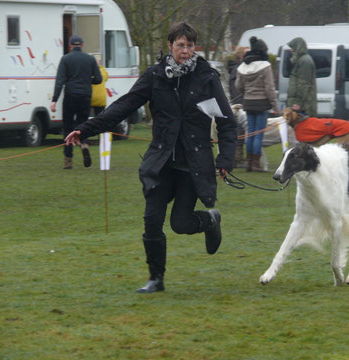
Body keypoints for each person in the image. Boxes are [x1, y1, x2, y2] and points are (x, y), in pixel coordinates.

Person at [65, 22, 237, 294]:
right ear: (170, 46)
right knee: (152, 219)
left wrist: (226, 159)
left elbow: (227, 122)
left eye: (190, 46)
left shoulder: (207, 77)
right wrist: (85, 128)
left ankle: (209, 220)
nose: (185, 51)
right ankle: (156, 278)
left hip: (192, 165)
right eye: (180, 45)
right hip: (161, 162)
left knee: (180, 224)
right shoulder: (155, 76)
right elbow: (123, 106)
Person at [51, 35, 102, 169]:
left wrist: (54, 100)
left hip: (70, 95)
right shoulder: (90, 59)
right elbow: (98, 79)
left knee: (68, 127)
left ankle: (68, 160)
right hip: (85, 96)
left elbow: (60, 81)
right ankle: (84, 144)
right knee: (82, 125)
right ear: (82, 45)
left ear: (70, 45)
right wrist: (86, 80)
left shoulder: (66, 59)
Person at [235, 36, 278, 172]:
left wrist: (246, 94)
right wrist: (275, 106)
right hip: (262, 104)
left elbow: (238, 85)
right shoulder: (265, 66)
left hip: (248, 103)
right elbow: (269, 88)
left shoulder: (243, 66)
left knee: (250, 133)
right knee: (258, 134)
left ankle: (249, 162)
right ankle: (255, 163)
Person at [227, 46, 248, 168]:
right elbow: (235, 89)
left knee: (240, 130)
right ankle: (237, 158)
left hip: (240, 102)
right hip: (238, 103)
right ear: (241, 56)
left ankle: (239, 157)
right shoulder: (237, 69)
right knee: (239, 130)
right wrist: (239, 102)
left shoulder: (238, 68)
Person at [286, 37, 317, 117]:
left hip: (303, 107)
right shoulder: (301, 60)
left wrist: (297, 103)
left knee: (303, 128)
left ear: (298, 47)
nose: (291, 50)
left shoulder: (305, 61)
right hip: (300, 105)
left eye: (293, 47)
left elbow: (303, 84)